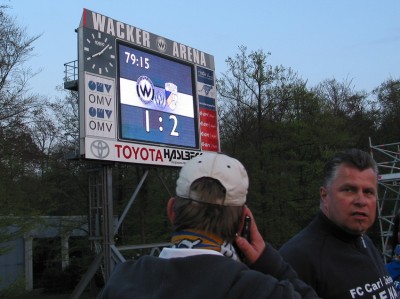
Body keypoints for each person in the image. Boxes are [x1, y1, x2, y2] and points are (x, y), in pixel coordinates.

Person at [98, 152, 320, 298]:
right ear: (244, 220)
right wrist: (271, 263)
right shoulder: (261, 290)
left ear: (172, 211)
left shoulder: (122, 279)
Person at [279, 148, 398, 299]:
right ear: (324, 195)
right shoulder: (298, 259)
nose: (361, 201)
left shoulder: (364, 240)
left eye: (368, 192)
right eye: (349, 190)